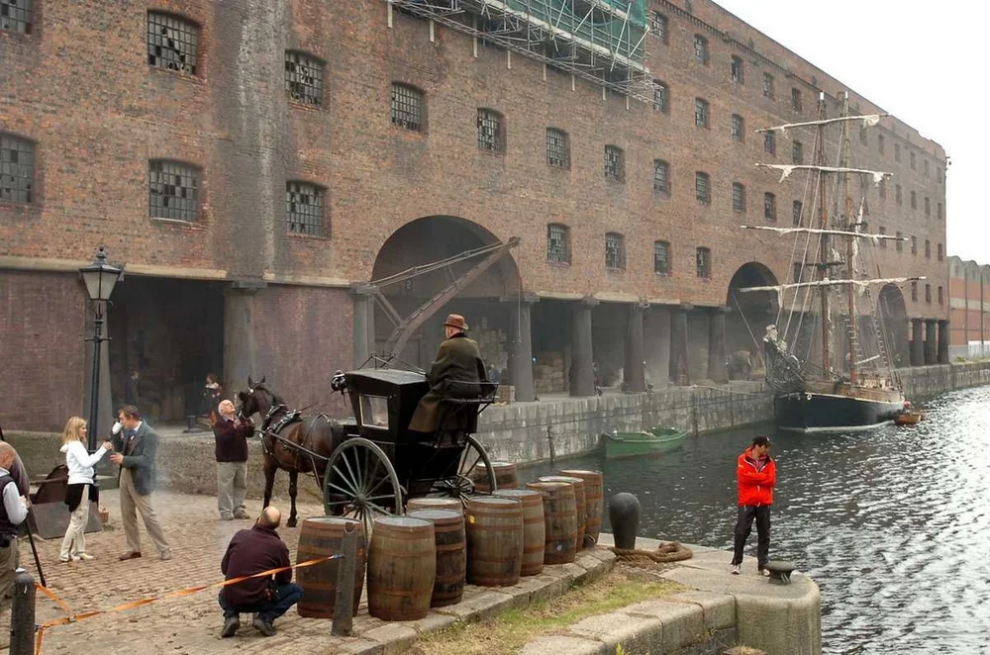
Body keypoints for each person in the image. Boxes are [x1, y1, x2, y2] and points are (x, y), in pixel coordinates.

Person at [218, 506, 302, 638]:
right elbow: (284, 579)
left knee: (223, 593)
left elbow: (224, 568)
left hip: (230, 598)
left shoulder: (240, 535)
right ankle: (265, 618)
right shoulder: (278, 546)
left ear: (258, 520)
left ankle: (231, 615)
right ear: (277, 526)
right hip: (257, 600)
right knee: (297, 590)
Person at [408, 313, 487, 434]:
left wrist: (429, 377)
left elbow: (437, 372)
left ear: (450, 330)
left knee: (426, 402)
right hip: (474, 390)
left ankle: (420, 432)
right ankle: (457, 431)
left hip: (455, 390)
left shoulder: (447, 345)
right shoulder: (473, 345)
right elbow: (481, 369)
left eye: (446, 329)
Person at [110, 405, 171, 561]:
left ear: (131, 417)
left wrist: (125, 460)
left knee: (148, 515)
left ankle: (164, 548)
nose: (121, 421)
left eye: (122, 419)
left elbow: (147, 460)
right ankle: (133, 548)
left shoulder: (149, 434)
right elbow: (119, 449)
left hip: (140, 477)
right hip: (125, 474)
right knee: (127, 514)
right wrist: (115, 434)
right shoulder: (128, 432)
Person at [59, 417, 113, 563]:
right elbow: (86, 463)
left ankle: (79, 550)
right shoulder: (76, 446)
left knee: (82, 519)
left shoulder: (76, 445)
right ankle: (65, 553)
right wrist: (102, 450)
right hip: (79, 484)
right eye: (83, 428)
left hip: (82, 483)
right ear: (76, 429)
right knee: (77, 519)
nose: (85, 430)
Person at [730, 435, 776, 576]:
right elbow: (743, 477)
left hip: (764, 502)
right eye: (765, 446)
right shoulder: (742, 459)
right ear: (757, 446)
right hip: (747, 502)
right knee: (741, 531)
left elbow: (772, 480)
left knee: (764, 533)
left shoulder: (770, 462)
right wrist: (762, 477)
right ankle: (737, 562)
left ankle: (762, 564)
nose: (767, 449)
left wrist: (754, 477)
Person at [0, 442, 29, 610]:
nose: (12, 464)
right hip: (4, 539)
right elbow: (16, 517)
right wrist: (23, 505)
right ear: (5, 458)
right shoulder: (7, 484)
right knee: (4, 580)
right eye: (11, 460)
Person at [213, 400, 253, 521]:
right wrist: (234, 427)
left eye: (231, 403)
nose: (230, 405)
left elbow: (249, 434)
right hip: (226, 460)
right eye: (226, 404)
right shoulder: (218, 422)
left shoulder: (239, 420)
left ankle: (238, 509)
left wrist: (251, 426)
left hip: (241, 458)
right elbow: (221, 438)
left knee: (241, 485)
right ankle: (225, 511)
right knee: (225, 487)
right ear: (222, 410)